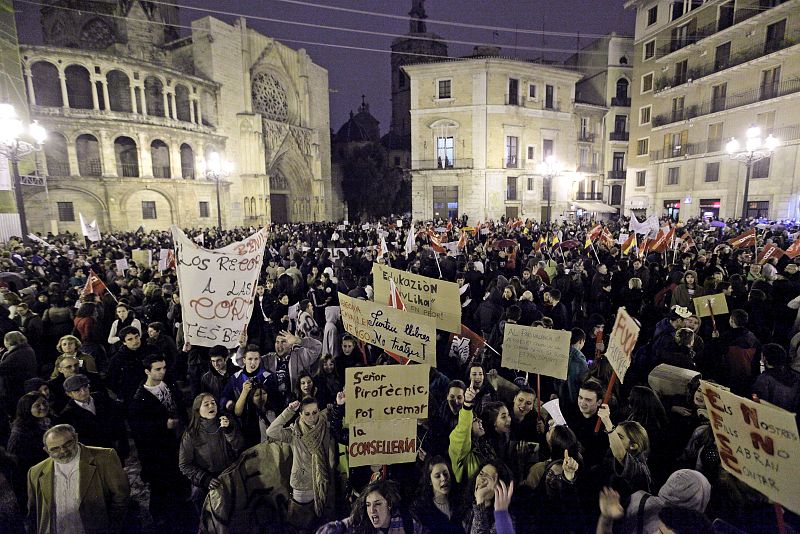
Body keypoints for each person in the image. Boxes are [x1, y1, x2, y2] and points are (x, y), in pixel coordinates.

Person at [26, 424, 130, 533]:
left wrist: (112, 529)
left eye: (68, 444)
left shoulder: (105, 457)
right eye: (55, 449)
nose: (63, 451)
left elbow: (121, 497)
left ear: (76, 438)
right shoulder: (35, 472)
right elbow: (33, 513)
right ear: (46, 450)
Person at [127, 354, 189, 529]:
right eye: (158, 369)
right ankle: (160, 519)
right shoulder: (140, 398)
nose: (163, 372)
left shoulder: (167, 382)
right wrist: (163, 425)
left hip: (178, 440)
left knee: (179, 477)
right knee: (160, 486)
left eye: (164, 368)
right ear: (147, 371)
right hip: (159, 449)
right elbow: (140, 430)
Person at [266, 396, 337, 529]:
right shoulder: (294, 432)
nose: (312, 417)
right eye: (307, 414)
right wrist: (289, 411)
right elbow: (271, 431)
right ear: (301, 415)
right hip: (302, 486)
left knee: (321, 526)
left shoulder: (325, 429)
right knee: (300, 526)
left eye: (315, 412)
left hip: (322, 482)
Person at [179, 393, 245, 511]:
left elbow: (239, 447)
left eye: (213, 403)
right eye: (206, 404)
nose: (211, 406)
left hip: (228, 472)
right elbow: (184, 465)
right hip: (207, 476)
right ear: (198, 410)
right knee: (197, 495)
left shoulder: (227, 421)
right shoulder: (191, 434)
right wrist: (205, 479)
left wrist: (229, 431)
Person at [58, 374, 129, 461]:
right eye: (77, 391)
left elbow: (118, 418)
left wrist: (122, 443)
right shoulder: (67, 414)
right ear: (69, 394)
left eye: (85, 387)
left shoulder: (100, 397)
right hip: (94, 455)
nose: (83, 392)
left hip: (115, 448)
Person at [317, 479, 425, 533]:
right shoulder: (360, 522)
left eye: (377, 504)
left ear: (389, 504)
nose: (372, 510)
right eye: (368, 505)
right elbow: (330, 529)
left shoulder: (408, 523)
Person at [8, 392, 51, 511]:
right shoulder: (20, 433)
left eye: (44, 403)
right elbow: (17, 468)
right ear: (27, 409)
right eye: (37, 405)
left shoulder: (45, 422)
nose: (42, 407)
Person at [597, 404, 652, 495]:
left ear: (633, 446)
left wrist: (608, 423)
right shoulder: (610, 454)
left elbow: (620, 455)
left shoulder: (640, 469)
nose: (613, 438)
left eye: (619, 437)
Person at [411, 455, 463, 533]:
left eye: (445, 474)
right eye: (437, 476)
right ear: (429, 481)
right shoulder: (422, 509)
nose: (443, 479)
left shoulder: (460, 502)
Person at [462, 459, 516, 534]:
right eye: (481, 474)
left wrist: (480, 502)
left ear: (501, 488)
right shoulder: (467, 506)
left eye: (490, 478)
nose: (481, 480)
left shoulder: (504, 520)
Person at [0, 331, 37, 415]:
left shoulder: (18, 353)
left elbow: (2, 368)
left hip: (15, 389)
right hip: (19, 387)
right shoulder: (25, 349)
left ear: (8, 341)